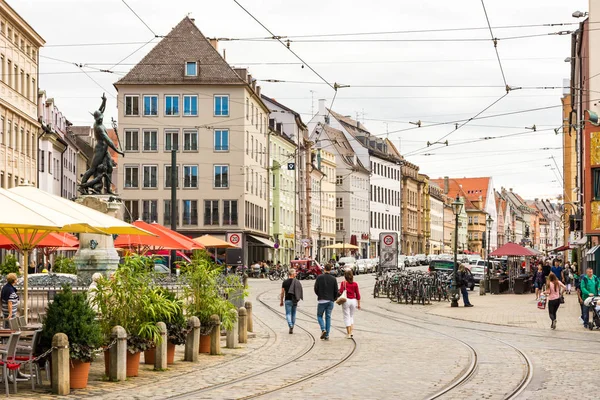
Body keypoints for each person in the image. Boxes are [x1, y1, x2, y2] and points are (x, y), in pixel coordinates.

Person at [314, 263, 338, 340]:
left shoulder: (319, 277)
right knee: (328, 317)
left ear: (324, 269)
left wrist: (319, 294)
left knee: (319, 316)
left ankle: (323, 329)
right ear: (330, 269)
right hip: (330, 300)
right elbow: (336, 291)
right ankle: (327, 334)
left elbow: (316, 288)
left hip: (321, 300)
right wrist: (334, 298)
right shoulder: (333, 279)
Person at [339, 270, 361, 339]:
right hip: (353, 301)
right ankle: (351, 332)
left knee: (346, 316)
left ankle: (348, 333)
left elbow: (340, 291)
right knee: (351, 316)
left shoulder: (343, 283)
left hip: (346, 300)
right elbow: (358, 294)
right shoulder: (355, 284)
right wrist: (359, 304)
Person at [280, 269, 303, 334]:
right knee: (294, 314)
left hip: (287, 300)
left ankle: (290, 325)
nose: (296, 274)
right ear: (292, 274)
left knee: (288, 314)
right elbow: (299, 290)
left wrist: (281, 301)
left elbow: (282, 293)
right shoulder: (297, 282)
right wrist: (298, 298)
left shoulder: (285, 282)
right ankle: (292, 325)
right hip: (295, 300)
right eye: (295, 273)